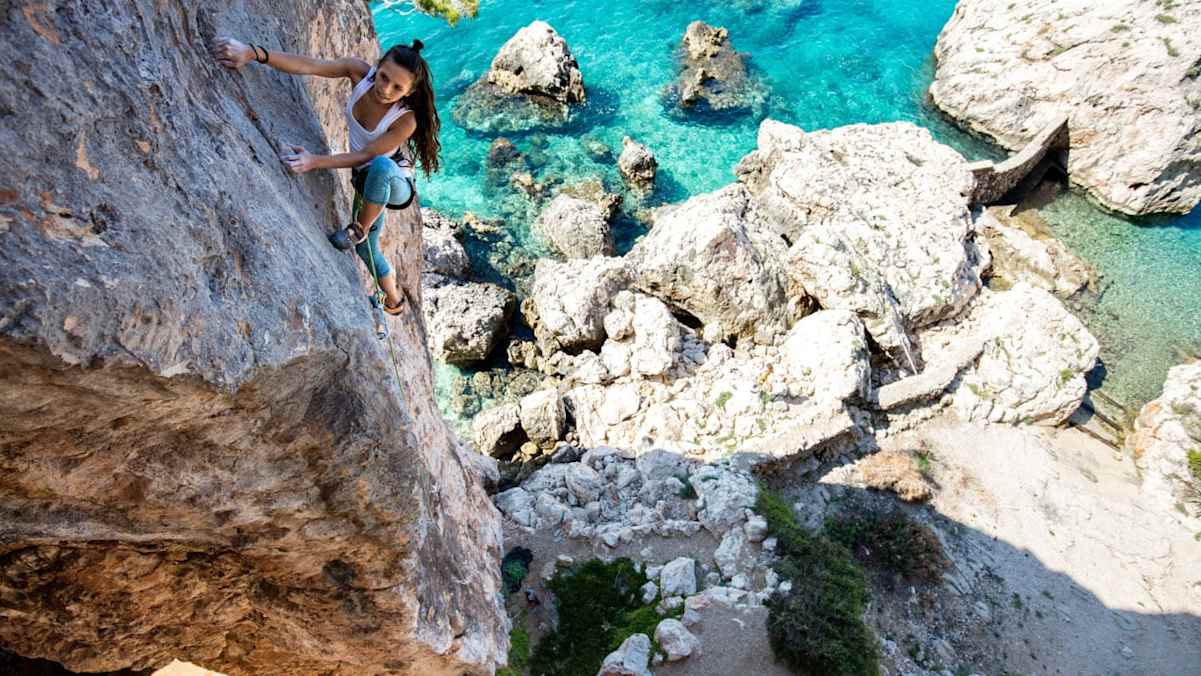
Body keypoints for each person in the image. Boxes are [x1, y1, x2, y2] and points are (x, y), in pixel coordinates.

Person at [211, 36, 441, 315]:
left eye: (397, 88)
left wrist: (314, 161)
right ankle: (394, 302)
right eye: (383, 77)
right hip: (367, 180)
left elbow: (366, 155)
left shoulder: (405, 120)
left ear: (409, 92)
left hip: (395, 182)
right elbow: (309, 65)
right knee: (367, 251)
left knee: (380, 166)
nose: (385, 89)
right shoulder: (358, 72)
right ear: (378, 66)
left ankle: (358, 230)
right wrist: (253, 53)